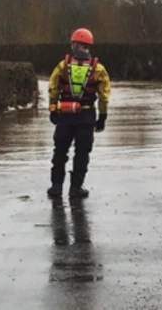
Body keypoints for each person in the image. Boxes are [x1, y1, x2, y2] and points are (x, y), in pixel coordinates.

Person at [46, 28, 111, 198]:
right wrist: (102, 117)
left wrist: (53, 110)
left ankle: (56, 186)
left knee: (60, 150)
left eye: (72, 42)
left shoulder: (63, 65)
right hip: (86, 116)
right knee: (82, 152)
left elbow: (53, 89)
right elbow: (104, 96)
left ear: (76, 44)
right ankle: (76, 188)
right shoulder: (99, 69)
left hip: (65, 115)